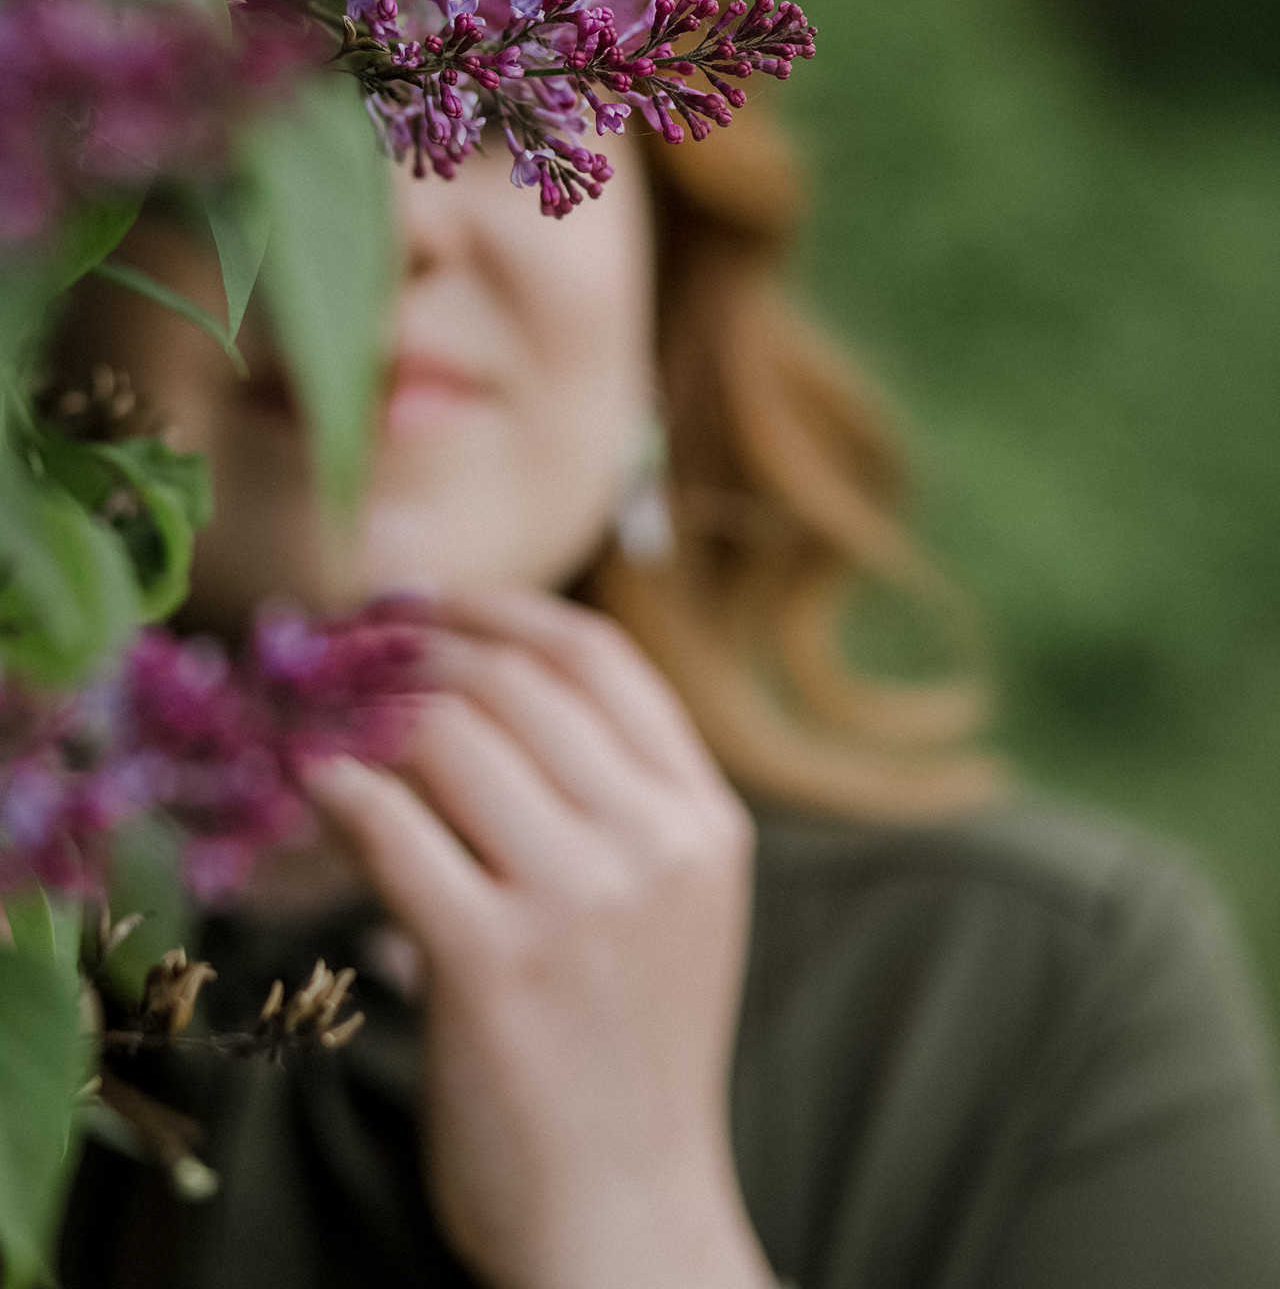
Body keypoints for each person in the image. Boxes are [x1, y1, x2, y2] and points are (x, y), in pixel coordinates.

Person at [56, 104, 1280, 1289]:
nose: (394, 222)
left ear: (660, 277)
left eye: (499, 103)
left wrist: (638, 1235)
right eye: (243, 107)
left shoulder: (1031, 1002)